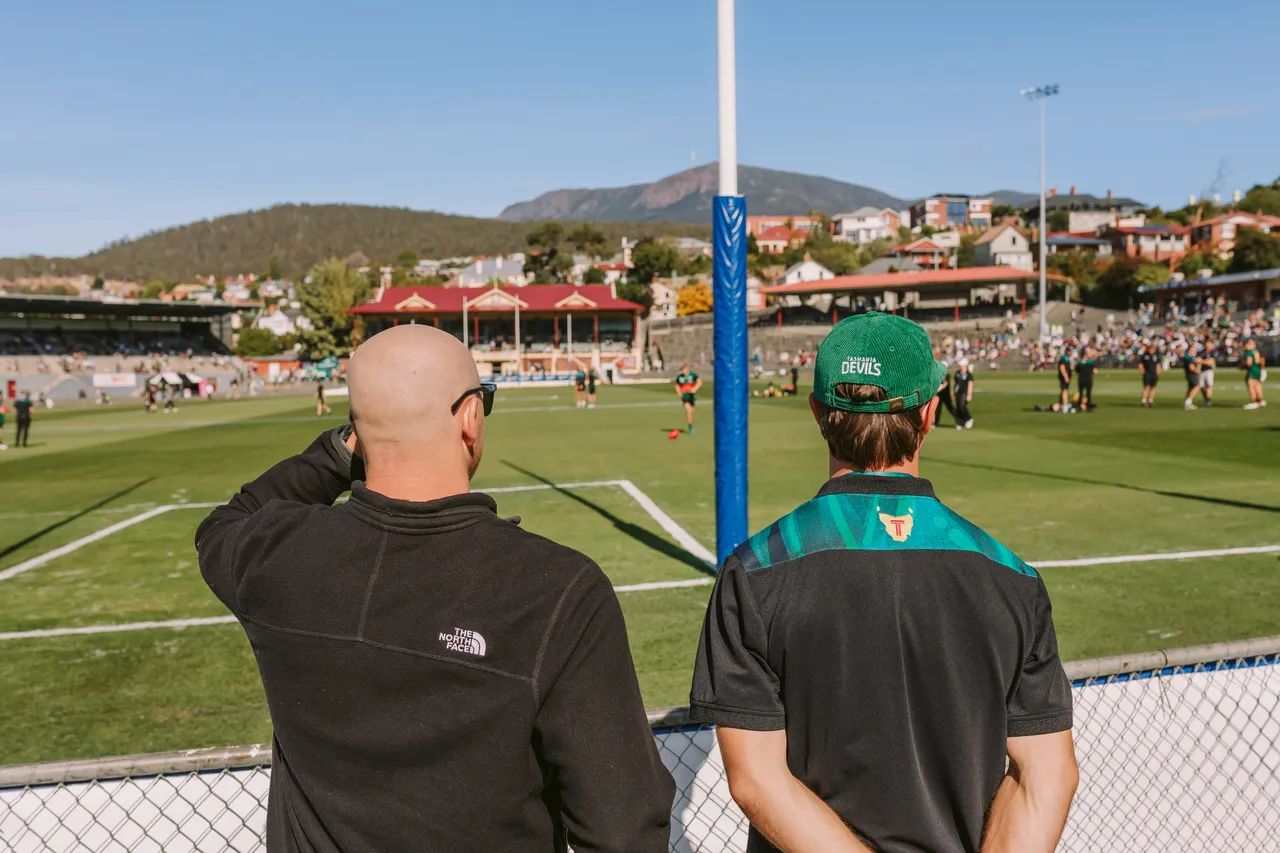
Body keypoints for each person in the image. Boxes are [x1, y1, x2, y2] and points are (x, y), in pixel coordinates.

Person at [196, 326, 673, 852]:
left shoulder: (276, 553)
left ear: (357, 428)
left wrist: (337, 454)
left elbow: (225, 523)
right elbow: (624, 827)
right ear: (470, 418)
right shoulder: (558, 590)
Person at [690, 312, 1077, 853]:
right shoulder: (1011, 576)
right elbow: (1045, 777)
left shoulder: (755, 572)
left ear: (818, 413)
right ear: (928, 414)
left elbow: (758, 779)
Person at [675, 362, 701, 434]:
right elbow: (677, 385)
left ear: (687, 369)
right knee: (688, 410)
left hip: (692, 396)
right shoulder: (680, 377)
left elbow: (699, 382)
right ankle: (690, 427)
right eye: (682, 370)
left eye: (684, 369)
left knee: (692, 412)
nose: (683, 371)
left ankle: (690, 424)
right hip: (685, 397)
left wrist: (695, 388)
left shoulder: (692, 375)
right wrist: (679, 393)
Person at [1243, 339, 1267, 410]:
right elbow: (1262, 361)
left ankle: (1254, 402)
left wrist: (1242, 366)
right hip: (1257, 370)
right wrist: (1262, 369)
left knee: (1251, 386)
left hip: (1252, 371)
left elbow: (1249, 363)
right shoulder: (1256, 352)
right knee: (1257, 385)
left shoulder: (1249, 352)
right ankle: (1260, 401)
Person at [953, 357, 974, 429]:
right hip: (957, 392)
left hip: (964, 392)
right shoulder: (957, 373)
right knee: (958, 407)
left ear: (965, 366)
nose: (960, 367)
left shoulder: (968, 374)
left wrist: (969, 394)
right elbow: (955, 383)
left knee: (962, 406)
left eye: (961, 365)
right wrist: (953, 392)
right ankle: (960, 423)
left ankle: (968, 419)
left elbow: (970, 384)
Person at [1138, 343, 1161, 407]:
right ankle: (1144, 401)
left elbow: (1158, 365)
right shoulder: (1144, 356)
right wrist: (1143, 372)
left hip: (1154, 374)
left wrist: (1158, 372)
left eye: (1153, 349)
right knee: (1146, 387)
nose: (1152, 350)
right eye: (1151, 349)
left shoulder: (1156, 356)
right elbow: (1140, 364)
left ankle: (1151, 400)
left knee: (1153, 387)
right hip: (1147, 373)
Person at [1180, 344, 1201, 411]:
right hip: (1191, 374)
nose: (1194, 350)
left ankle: (1188, 402)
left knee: (1191, 388)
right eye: (1193, 349)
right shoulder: (1189, 357)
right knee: (1197, 386)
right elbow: (1191, 367)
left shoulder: (1189, 357)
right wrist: (1197, 370)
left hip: (1189, 374)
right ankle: (1188, 402)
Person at [1077, 347, 1096, 411]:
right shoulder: (1090, 362)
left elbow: (1077, 371)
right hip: (1088, 379)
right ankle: (1088, 406)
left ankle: (1079, 406)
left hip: (1081, 379)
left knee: (1081, 393)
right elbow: (1095, 371)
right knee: (1088, 393)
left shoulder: (1079, 363)